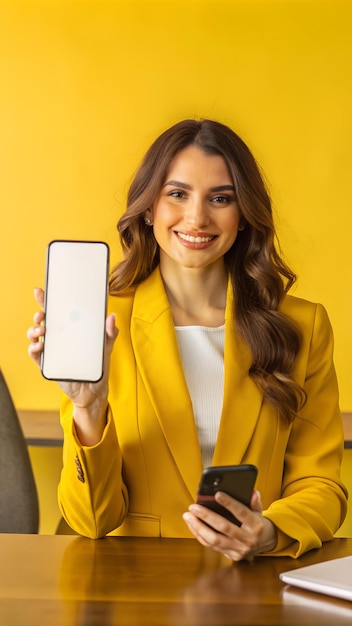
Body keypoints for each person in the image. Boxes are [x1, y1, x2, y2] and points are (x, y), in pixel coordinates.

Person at [28, 119, 347, 560]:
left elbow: (321, 484)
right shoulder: (105, 327)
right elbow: (91, 522)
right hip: (135, 590)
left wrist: (270, 531)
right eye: (177, 194)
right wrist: (88, 407)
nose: (197, 217)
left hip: (256, 586)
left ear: (244, 217)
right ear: (148, 208)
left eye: (221, 198)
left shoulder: (302, 325)